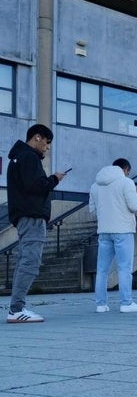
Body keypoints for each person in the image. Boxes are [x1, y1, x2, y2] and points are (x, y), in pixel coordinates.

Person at [6, 124, 67, 323]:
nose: (47, 148)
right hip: (32, 216)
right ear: (38, 137)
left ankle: (16, 307)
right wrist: (54, 179)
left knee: (25, 260)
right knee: (31, 261)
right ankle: (16, 309)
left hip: (24, 215)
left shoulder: (20, 157)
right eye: (47, 143)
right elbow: (36, 186)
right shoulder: (29, 157)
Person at [89, 158, 137, 313]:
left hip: (104, 231)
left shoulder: (96, 185)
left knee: (102, 269)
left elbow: (92, 210)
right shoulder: (126, 182)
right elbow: (134, 206)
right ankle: (126, 303)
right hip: (123, 229)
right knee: (124, 268)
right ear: (126, 169)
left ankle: (101, 304)